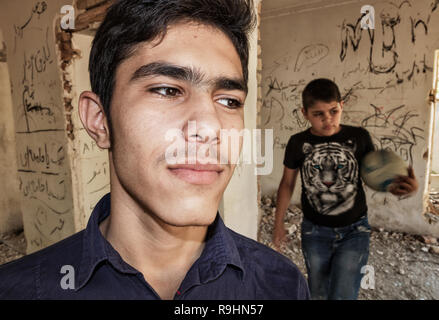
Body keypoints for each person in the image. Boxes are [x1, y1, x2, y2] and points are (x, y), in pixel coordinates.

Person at [0, 0, 309, 300]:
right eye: (167, 90)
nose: (211, 127)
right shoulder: (19, 290)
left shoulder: (280, 285)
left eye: (229, 101)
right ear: (99, 121)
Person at [272, 78, 418, 300]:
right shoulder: (297, 143)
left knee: (344, 294)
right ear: (304, 113)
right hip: (314, 231)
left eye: (333, 111)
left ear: (342, 105)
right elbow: (287, 184)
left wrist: (401, 187)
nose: (328, 119)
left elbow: (375, 175)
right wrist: (278, 223)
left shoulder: (359, 137)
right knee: (318, 292)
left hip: (354, 230)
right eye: (318, 114)